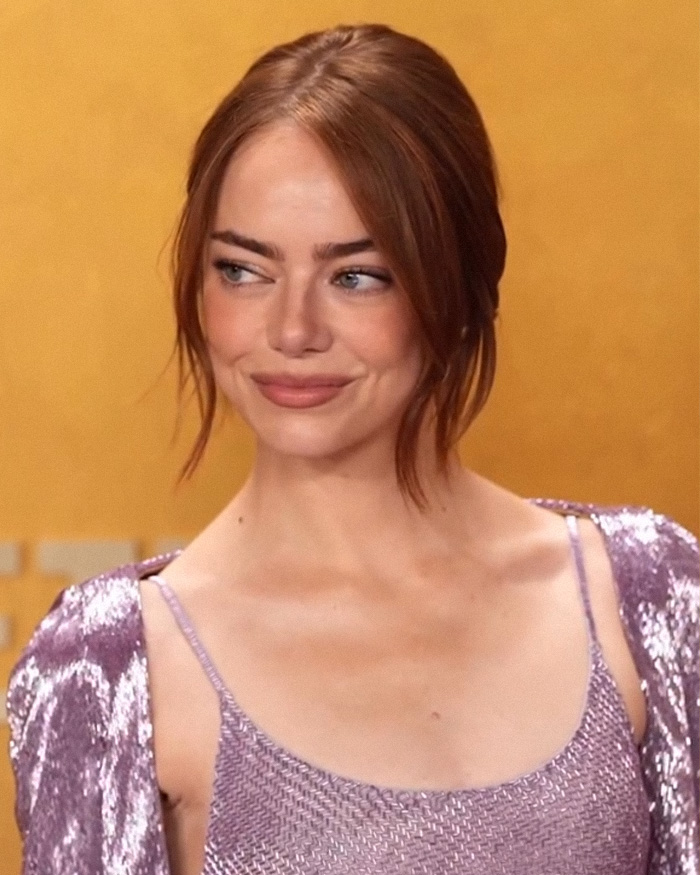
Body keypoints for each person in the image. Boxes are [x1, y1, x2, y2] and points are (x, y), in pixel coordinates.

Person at [7, 23, 698, 875]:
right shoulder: (113, 666)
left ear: (459, 285)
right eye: (242, 270)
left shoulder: (651, 598)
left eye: (356, 275)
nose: (292, 330)